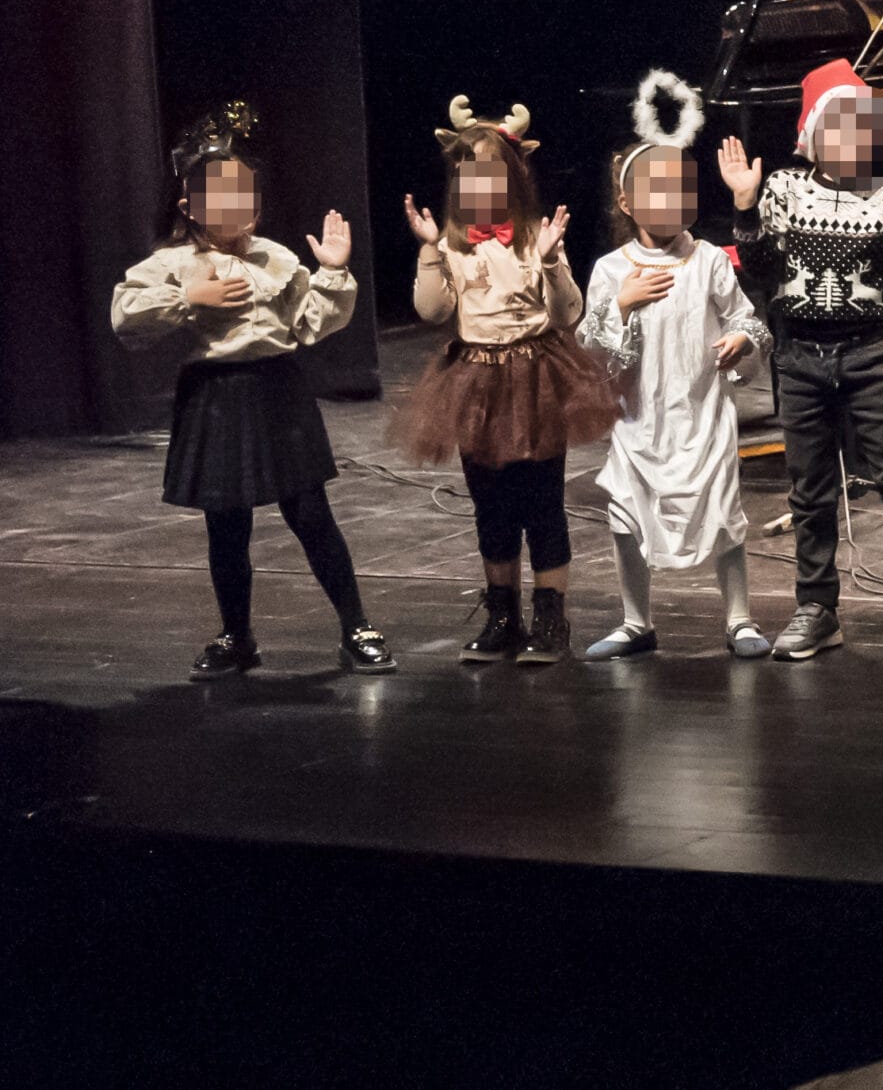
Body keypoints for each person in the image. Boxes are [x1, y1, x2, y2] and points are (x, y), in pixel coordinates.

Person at [111, 104, 397, 678]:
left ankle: (356, 626)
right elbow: (126, 317)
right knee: (226, 524)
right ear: (190, 207)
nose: (237, 205)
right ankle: (236, 635)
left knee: (311, 514)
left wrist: (333, 273)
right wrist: (189, 298)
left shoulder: (275, 257)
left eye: (244, 193)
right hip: (216, 396)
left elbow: (310, 323)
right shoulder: (175, 262)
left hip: (277, 390)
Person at [719, 59, 883, 663]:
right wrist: (746, 209)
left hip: (868, 354)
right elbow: (761, 271)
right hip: (800, 358)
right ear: (814, 136)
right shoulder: (783, 188)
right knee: (810, 491)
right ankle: (817, 607)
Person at [393, 96, 619, 665]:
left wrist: (551, 260)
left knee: (542, 504)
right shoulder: (451, 245)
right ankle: (502, 615)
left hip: (536, 378)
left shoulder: (533, 239)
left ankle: (550, 618)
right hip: (477, 381)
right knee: (490, 506)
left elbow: (568, 314)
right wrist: (429, 251)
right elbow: (431, 311)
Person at [579, 72, 773, 659]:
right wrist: (622, 304)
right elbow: (590, 349)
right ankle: (635, 621)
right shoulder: (612, 270)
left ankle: (739, 618)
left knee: (724, 516)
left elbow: (750, 321)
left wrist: (740, 341)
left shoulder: (708, 259)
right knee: (626, 516)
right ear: (627, 202)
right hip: (640, 420)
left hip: (702, 414)